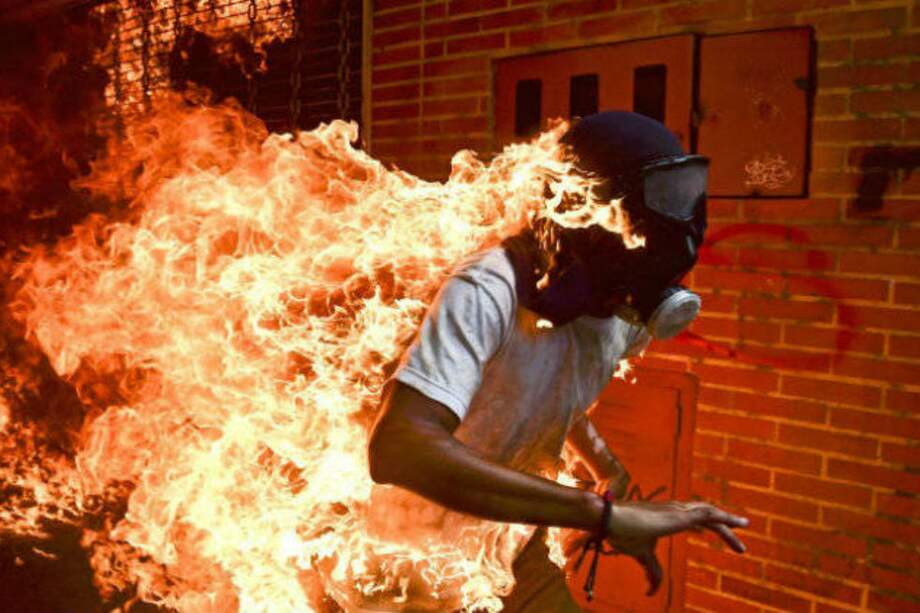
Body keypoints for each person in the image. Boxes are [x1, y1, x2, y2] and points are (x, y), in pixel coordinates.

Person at [367, 111, 747, 611]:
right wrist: (602, 515)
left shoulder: (626, 306)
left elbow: (550, 391)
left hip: (509, 546)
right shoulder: (488, 289)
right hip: (406, 564)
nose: (630, 309)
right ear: (584, 216)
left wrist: (607, 470)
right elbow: (399, 447)